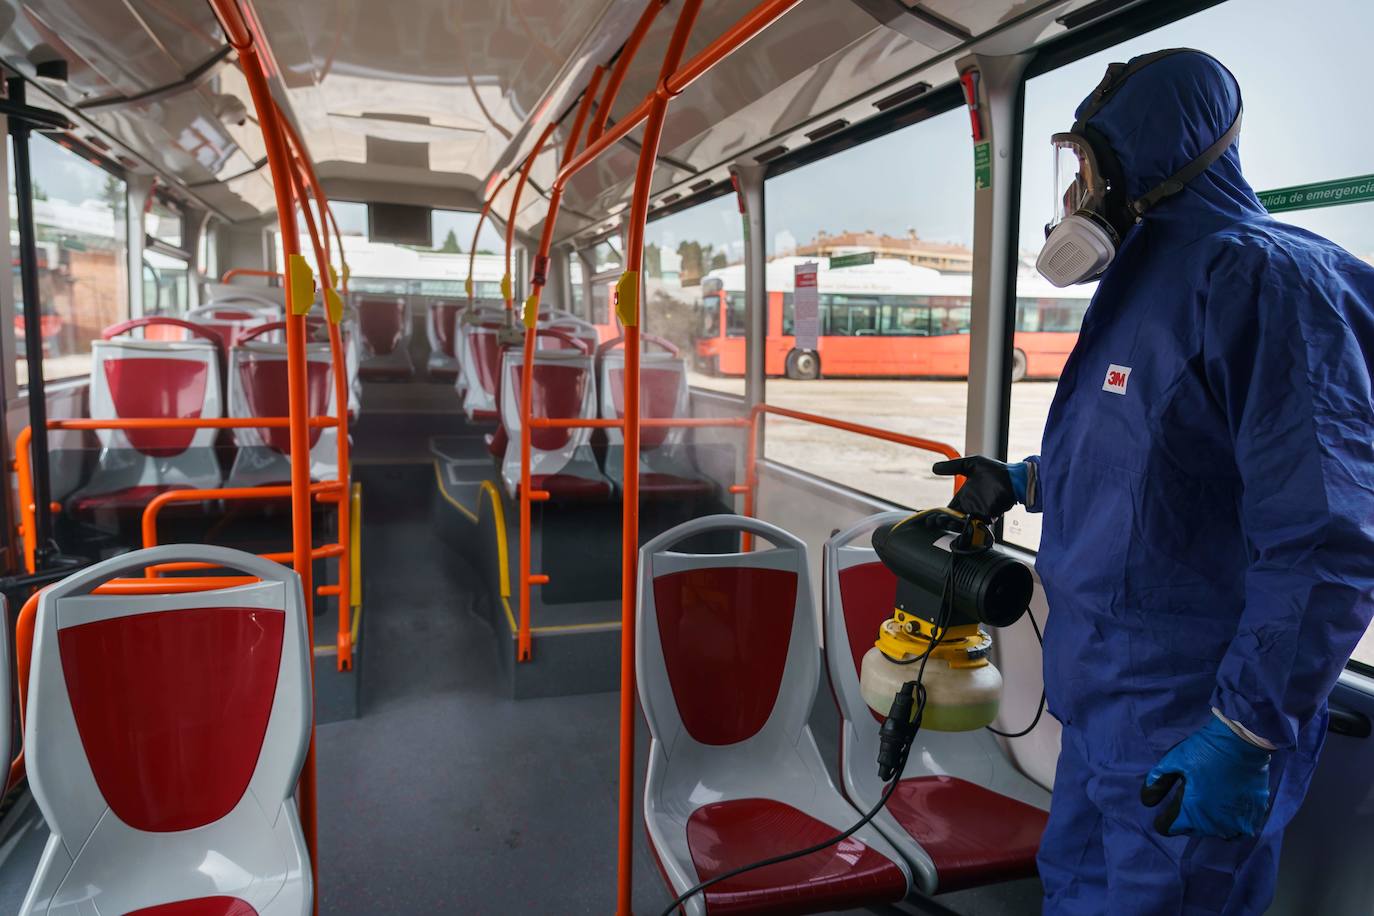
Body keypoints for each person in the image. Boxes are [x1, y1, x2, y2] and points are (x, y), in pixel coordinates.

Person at [933, 49, 1374, 914]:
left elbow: (1323, 538)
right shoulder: (1146, 280)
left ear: (1140, 159)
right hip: (1100, 703)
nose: (1074, 192)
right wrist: (1023, 480)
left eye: (1086, 163)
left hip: (1194, 718)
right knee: (1077, 895)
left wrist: (1245, 730)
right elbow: (1151, 462)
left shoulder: (1265, 280)